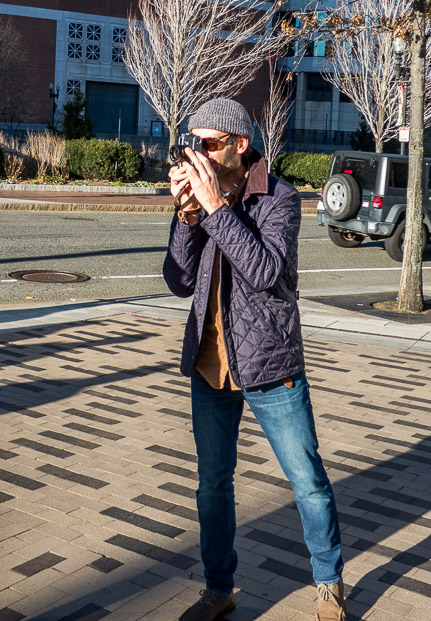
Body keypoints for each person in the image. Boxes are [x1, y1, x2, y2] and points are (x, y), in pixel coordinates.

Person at [162, 98, 346, 621]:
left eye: (209, 143)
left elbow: (266, 272)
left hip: (270, 366)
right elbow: (177, 281)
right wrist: (186, 216)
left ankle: (329, 583)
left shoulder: (279, 199)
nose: (198, 153)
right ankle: (218, 589)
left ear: (241, 146)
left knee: (306, 480)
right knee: (212, 484)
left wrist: (216, 209)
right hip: (209, 364)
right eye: (191, 142)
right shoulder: (201, 198)